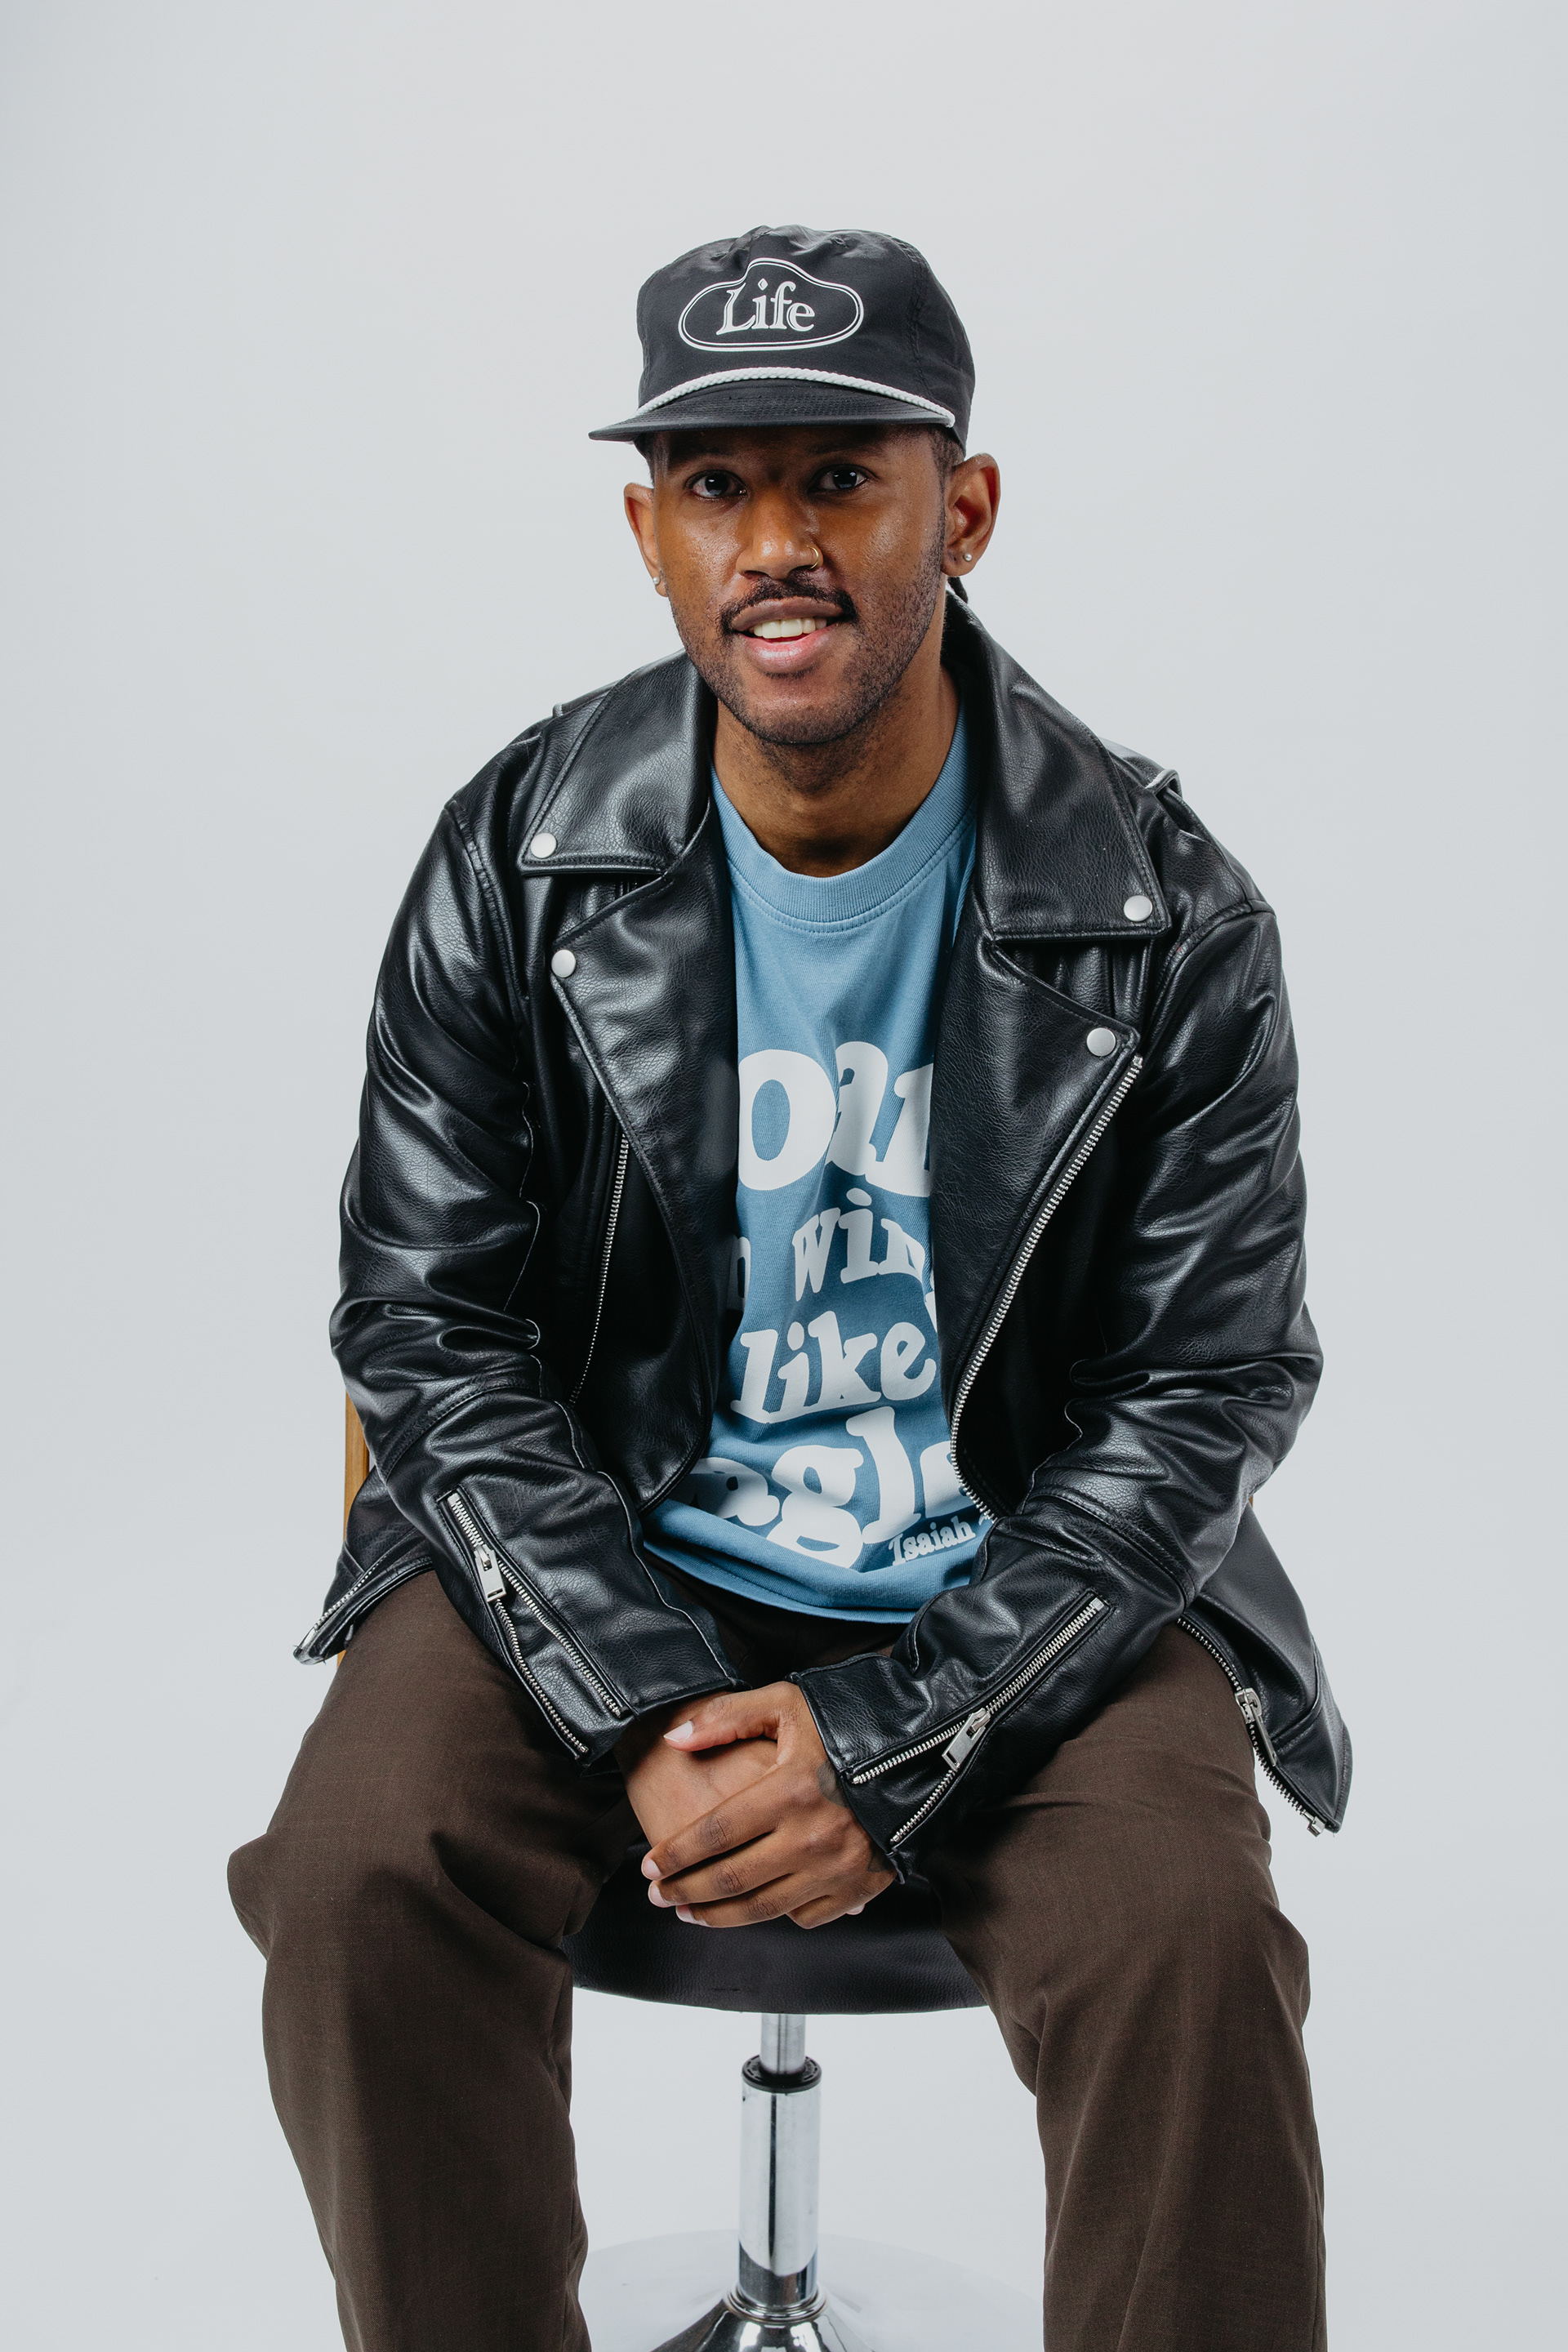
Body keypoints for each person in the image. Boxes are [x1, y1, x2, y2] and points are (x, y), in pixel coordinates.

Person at [229, 225, 1350, 2352]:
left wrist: (887, 1736)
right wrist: (645, 1699)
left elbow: (1203, 1393)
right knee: (361, 1872)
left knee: (1186, 1937)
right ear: (647, 533)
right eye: (718, 486)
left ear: (966, 510)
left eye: (842, 478)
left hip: (1020, 1583)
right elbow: (428, 1329)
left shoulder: (1165, 907)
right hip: (601, 1551)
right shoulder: (516, 858)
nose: (777, 547)